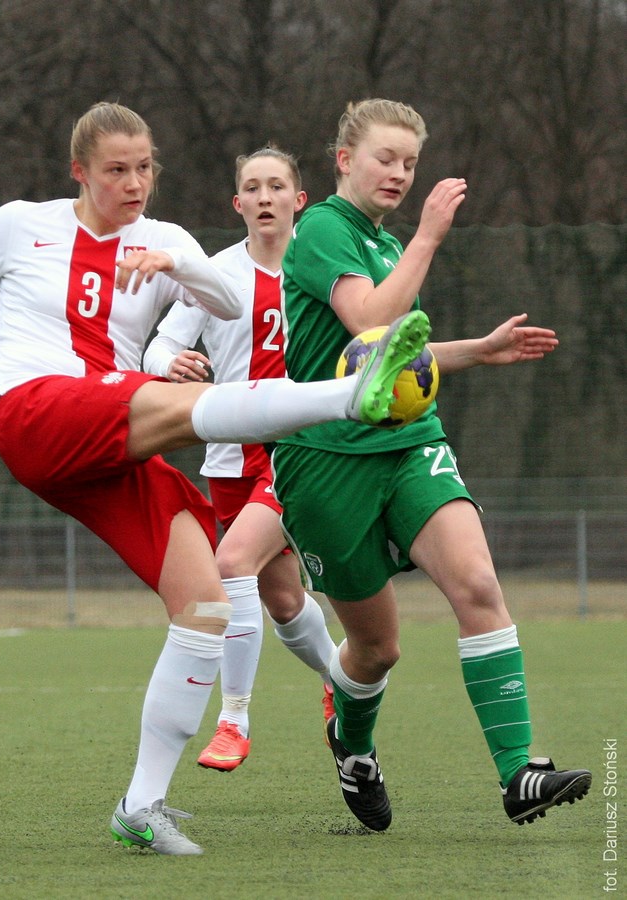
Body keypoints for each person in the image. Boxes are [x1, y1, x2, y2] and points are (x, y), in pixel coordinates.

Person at [0, 102, 435, 856]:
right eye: (115, 170)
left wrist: (181, 265)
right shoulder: (20, 225)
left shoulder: (164, 240)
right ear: (79, 171)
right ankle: (349, 395)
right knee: (180, 407)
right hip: (34, 412)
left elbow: (232, 301)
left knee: (203, 604)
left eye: (145, 168)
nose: (134, 183)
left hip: (108, 440)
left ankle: (142, 806)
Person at [271, 98, 591, 833]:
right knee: (376, 650)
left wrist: (475, 351)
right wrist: (427, 238)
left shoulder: (384, 244)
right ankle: (350, 746)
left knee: (477, 582)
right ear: (344, 159)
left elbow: (392, 358)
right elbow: (369, 322)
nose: (399, 173)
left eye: (410, 162)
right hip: (324, 463)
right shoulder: (321, 229)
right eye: (385, 157)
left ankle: (519, 773)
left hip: (410, 444)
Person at [144, 146, 338, 773]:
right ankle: (344, 675)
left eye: (276, 186)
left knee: (230, 565)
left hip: (300, 448)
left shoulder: (325, 267)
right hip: (230, 455)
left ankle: (234, 719)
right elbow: (164, 344)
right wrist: (165, 364)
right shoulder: (218, 273)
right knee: (281, 600)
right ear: (237, 204)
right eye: (251, 188)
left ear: (297, 200)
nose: (263, 197)